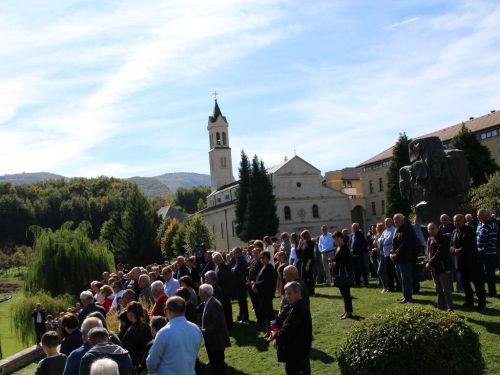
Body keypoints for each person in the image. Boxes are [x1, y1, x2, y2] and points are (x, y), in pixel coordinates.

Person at [147, 296, 202, 375]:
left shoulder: (164, 332)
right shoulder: (196, 329)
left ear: (169, 311)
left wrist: (152, 372)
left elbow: (152, 360)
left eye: (165, 310)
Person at [271, 281, 312, 375]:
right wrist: (275, 331)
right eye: (286, 294)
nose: (287, 296)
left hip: (296, 354)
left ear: (299, 293)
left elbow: (285, 333)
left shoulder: (299, 309)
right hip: (293, 353)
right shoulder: (291, 305)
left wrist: (275, 335)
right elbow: (275, 321)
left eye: (289, 293)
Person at [451, 214, 486, 310]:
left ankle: (482, 302)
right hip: (460, 262)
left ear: (463, 221)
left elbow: (470, 244)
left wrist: (460, 251)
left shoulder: (470, 230)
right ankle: (469, 301)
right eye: (455, 221)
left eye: (458, 220)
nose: (456, 222)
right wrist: (454, 251)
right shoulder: (454, 232)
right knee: (465, 282)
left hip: (471, 261)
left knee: (476, 282)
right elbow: (451, 245)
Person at [199, 284, 231, 375]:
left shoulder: (214, 304)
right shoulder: (208, 303)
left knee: (218, 366)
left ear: (205, 293)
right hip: (212, 341)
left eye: (200, 293)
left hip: (217, 341)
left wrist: (205, 330)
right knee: (214, 365)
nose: (199, 295)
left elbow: (218, 323)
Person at [426, 222, 454, 311]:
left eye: (433, 228)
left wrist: (430, 263)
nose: (431, 230)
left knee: (446, 290)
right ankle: (441, 308)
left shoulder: (442, 239)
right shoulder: (429, 240)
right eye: (429, 229)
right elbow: (427, 253)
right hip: (433, 269)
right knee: (438, 289)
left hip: (442, 268)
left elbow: (440, 253)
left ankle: (450, 308)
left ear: (438, 229)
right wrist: (428, 262)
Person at [252, 250, 278, 339]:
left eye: (263, 257)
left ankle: (274, 331)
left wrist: (255, 284)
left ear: (268, 258)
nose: (261, 259)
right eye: (261, 257)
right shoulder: (263, 267)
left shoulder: (269, 267)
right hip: (262, 294)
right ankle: (268, 330)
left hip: (267, 294)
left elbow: (265, 281)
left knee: (270, 314)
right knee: (266, 314)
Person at [121, 301, 153, 370]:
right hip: (146, 360)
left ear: (131, 313)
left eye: (127, 312)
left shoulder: (132, 330)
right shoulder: (146, 326)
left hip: (136, 364)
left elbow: (130, 349)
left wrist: (134, 363)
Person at [330, 231, 354, 319]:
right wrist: (332, 263)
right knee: (343, 294)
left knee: (346, 294)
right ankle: (346, 311)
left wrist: (336, 264)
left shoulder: (344, 248)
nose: (336, 240)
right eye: (335, 238)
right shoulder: (337, 248)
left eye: (337, 238)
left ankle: (349, 311)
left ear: (342, 238)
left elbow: (347, 261)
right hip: (339, 273)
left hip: (344, 273)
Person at [391, 214, 413, 303]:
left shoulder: (406, 230)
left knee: (405, 278)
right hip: (397, 259)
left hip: (404, 258)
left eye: (396, 219)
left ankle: (408, 296)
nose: (395, 221)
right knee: (400, 278)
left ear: (402, 220)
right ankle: (405, 294)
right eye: (394, 220)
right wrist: (391, 253)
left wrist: (396, 253)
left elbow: (404, 245)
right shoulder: (396, 230)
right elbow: (394, 244)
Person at [477, 208, 498, 297]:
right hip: (480, 253)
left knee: (489, 273)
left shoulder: (491, 226)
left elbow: (492, 240)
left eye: (480, 215)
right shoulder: (479, 225)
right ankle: (482, 291)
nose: (478, 217)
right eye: (477, 215)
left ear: (486, 216)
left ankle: (492, 291)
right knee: (480, 273)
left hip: (489, 254)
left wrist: (482, 250)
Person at [213, 251, 234, 329]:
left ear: (220, 259)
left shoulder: (225, 266)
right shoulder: (218, 266)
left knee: (227, 308)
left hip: (225, 291)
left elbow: (224, 279)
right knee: (223, 308)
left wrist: (215, 281)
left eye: (216, 260)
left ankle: (229, 325)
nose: (215, 262)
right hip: (220, 291)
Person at [247, 245, 265, 326]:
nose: (255, 255)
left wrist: (254, 283)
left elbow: (259, 275)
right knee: (255, 303)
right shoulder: (252, 262)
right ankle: (259, 319)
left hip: (257, 285)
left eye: (257, 253)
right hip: (251, 284)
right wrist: (248, 279)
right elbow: (250, 272)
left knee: (259, 303)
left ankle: (262, 320)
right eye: (254, 253)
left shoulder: (261, 263)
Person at [232, 247, 249, 323]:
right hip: (239, 283)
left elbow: (235, 270)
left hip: (241, 283)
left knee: (242, 301)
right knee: (240, 300)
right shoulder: (238, 260)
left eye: (235, 253)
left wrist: (233, 269)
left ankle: (244, 316)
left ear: (238, 253)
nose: (234, 255)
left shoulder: (241, 260)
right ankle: (241, 315)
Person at [380, 218, 398, 292]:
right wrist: (383, 240)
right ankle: (391, 287)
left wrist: (383, 240)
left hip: (390, 253)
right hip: (385, 253)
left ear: (391, 222)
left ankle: (396, 286)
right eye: (385, 222)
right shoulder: (385, 231)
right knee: (388, 271)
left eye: (387, 222)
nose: (386, 223)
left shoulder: (393, 230)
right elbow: (379, 240)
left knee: (393, 271)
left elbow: (389, 240)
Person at [298, 230, 315, 296]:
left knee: (309, 277)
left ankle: (311, 291)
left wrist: (308, 265)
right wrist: (299, 244)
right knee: (303, 277)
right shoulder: (303, 243)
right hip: (304, 261)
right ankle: (306, 290)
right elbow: (298, 252)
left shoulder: (310, 243)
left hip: (308, 262)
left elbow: (311, 255)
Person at [373, 222, 389, 293]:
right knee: (381, 271)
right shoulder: (377, 235)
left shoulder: (383, 234)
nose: (375, 228)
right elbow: (374, 244)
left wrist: (376, 249)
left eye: (376, 227)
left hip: (382, 253)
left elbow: (381, 246)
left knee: (380, 271)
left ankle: (386, 286)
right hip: (378, 253)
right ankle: (385, 286)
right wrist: (376, 238)